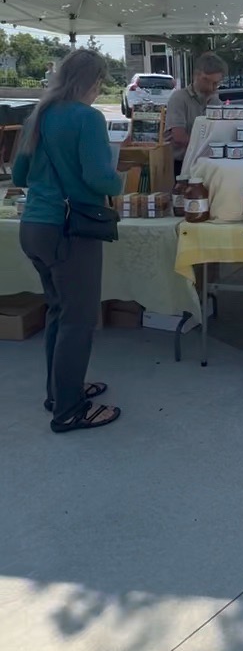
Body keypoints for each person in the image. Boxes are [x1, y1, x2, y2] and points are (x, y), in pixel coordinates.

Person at [13, 49, 123, 432]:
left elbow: (20, 176)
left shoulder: (38, 116)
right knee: (77, 320)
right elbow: (99, 179)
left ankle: (59, 392)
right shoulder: (87, 118)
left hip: (35, 227)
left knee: (59, 313)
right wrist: (118, 179)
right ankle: (69, 410)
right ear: (93, 82)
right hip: (70, 230)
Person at [165, 52, 228, 171]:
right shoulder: (179, 98)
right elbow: (179, 137)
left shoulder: (216, 102)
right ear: (196, 75)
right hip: (179, 164)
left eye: (216, 83)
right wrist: (211, 148)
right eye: (208, 81)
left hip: (207, 163)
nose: (212, 87)